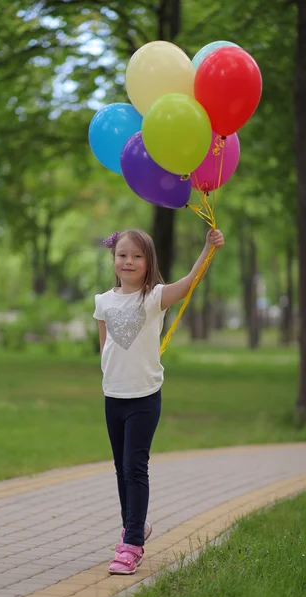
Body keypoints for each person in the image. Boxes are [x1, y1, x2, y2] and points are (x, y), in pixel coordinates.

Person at [93, 228, 225, 575]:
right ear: (113, 259)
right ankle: (133, 526)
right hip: (114, 396)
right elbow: (106, 347)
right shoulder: (103, 302)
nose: (129, 261)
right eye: (122, 255)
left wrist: (207, 248)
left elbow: (189, 281)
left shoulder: (154, 298)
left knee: (135, 467)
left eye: (137, 256)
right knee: (121, 468)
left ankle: (132, 543)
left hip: (144, 397)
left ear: (149, 262)